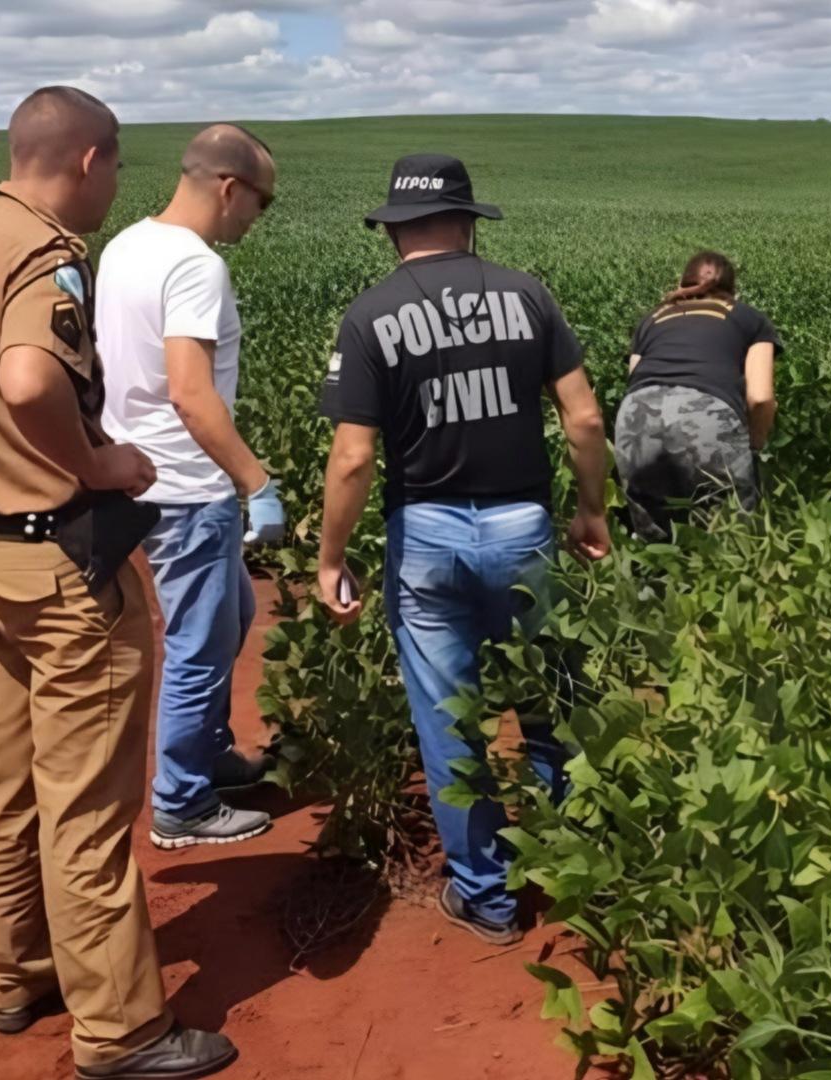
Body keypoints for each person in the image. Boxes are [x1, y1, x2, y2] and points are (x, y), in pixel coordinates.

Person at [0, 87, 236, 1080]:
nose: (113, 189)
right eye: (115, 171)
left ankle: (20, 975)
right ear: (90, 160)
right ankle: (121, 1032)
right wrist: (94, 466)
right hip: (63, 567)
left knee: (6, 782)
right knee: (87, 805)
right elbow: (29, 379)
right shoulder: (45, 254)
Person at [315, 153, 610, 945]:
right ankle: (556, 854)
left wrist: (330, 557)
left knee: (451, 719)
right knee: (547, 697)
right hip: (522, 527)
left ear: (394, 232)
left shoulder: (369, 314)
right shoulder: (528, 294)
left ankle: (487, 899)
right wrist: (591, 512)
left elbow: (351, 458)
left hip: (428, 536)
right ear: (470, 221)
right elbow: (583, 420)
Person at [96, 124, 283, 850]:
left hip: (139, 475)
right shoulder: (195, 266)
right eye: (258, 205)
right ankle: (181, 802)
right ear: (230, 189)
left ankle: (207, 755)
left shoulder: (123, 245)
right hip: (186, 485)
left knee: (231, 613)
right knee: (200, 644)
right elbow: (190, 393)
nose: (253, 221)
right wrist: (255, 481)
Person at [613, 251, 781, 540]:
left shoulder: (652, 318)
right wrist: (752, 445)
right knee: (729, 540)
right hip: (706, 413)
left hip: (636, 415)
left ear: (682, 282)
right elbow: (761, 398)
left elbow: (635, 378)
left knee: (653, 543)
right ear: (733, 289)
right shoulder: (747, 318)